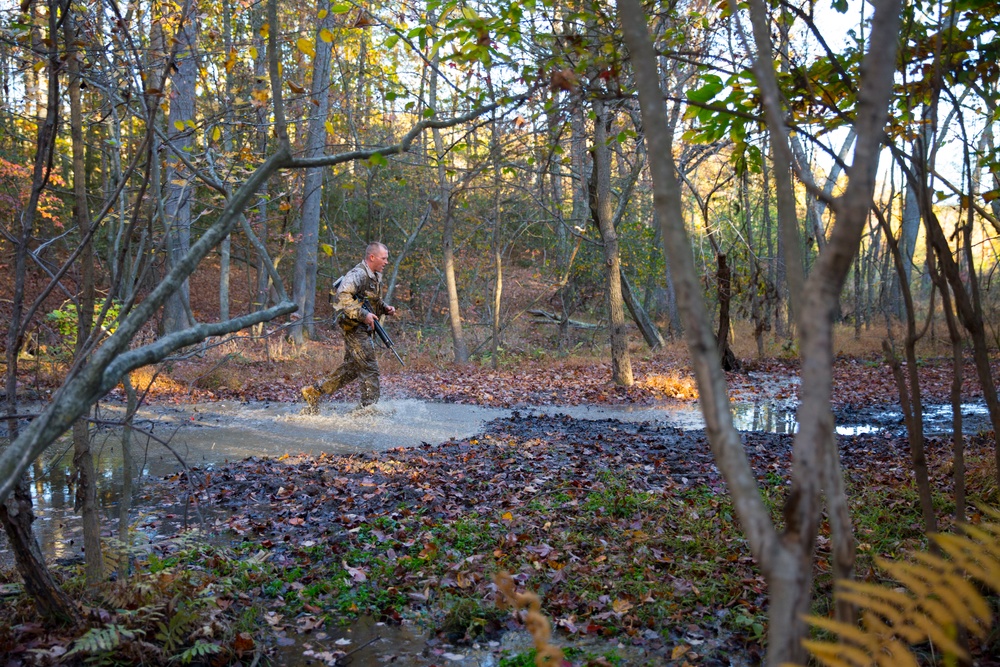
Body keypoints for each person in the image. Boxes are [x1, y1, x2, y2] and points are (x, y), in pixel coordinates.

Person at [301, 242, 396, 414]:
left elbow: (370, 301)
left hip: (363, 327)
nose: (386, 262)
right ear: (372, 257)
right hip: (354, 327)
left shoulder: (374, 276)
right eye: (384, 258)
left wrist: (384, 308)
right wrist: (363, 315)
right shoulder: (358, 274)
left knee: (353, 368)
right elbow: (341, 298)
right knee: (369, 367)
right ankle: (369, 411)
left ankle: (314, 391)